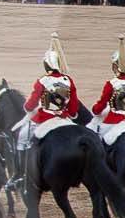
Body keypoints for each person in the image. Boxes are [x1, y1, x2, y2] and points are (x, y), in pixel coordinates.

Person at [15, 34, 79, 162]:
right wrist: (70, 114)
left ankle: (20, 172)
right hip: (63, 117)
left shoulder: (43, 81)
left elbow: (31, 105)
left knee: (22, 137)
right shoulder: (68, 80)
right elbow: (73, 107)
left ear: (46, 65)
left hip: (44, 117)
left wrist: (28, 107)